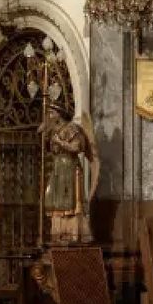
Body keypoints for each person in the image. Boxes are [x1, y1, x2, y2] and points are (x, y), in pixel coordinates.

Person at [39, 99, 99, 245]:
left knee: (70, 199)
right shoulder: (54, 129)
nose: (50, 115)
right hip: (58, 167)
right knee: (54, 199)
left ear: (59, 114)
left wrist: (60, 142)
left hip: (69, 167)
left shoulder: (72, 128)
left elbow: (77, 147)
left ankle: (73, 233)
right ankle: (59, 233)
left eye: (52, 113)